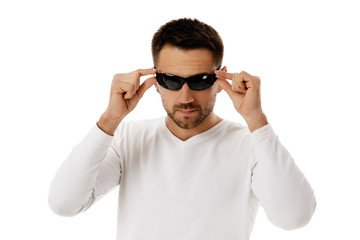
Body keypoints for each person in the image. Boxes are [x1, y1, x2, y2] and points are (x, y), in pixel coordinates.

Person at [48, 18, 316, 240]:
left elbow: (294, 217)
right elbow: (64, 203)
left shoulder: (250, 145)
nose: (185, 97)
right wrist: (109, 120)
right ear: (155, 80)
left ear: (221, 78)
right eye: (171, 80)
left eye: (200, 80)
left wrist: (257, 120)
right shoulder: (128, 138)